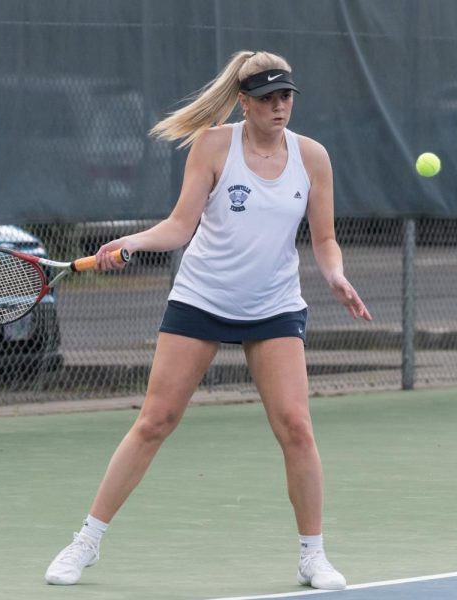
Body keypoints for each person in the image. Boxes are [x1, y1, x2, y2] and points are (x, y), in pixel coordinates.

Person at [45, 50, 372, 591]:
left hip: (274, 307)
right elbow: (179, 226)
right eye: (268, 97)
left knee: (296, 427)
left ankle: (312, 556)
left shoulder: (312, 157)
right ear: (243, 102)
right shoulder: (215, 145)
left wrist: (335, 274)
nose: (279, 106)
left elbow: (325, 239)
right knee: (155, 421)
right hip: (201, 299)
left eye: (286, 95)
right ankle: (85, 542)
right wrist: (132, 242)